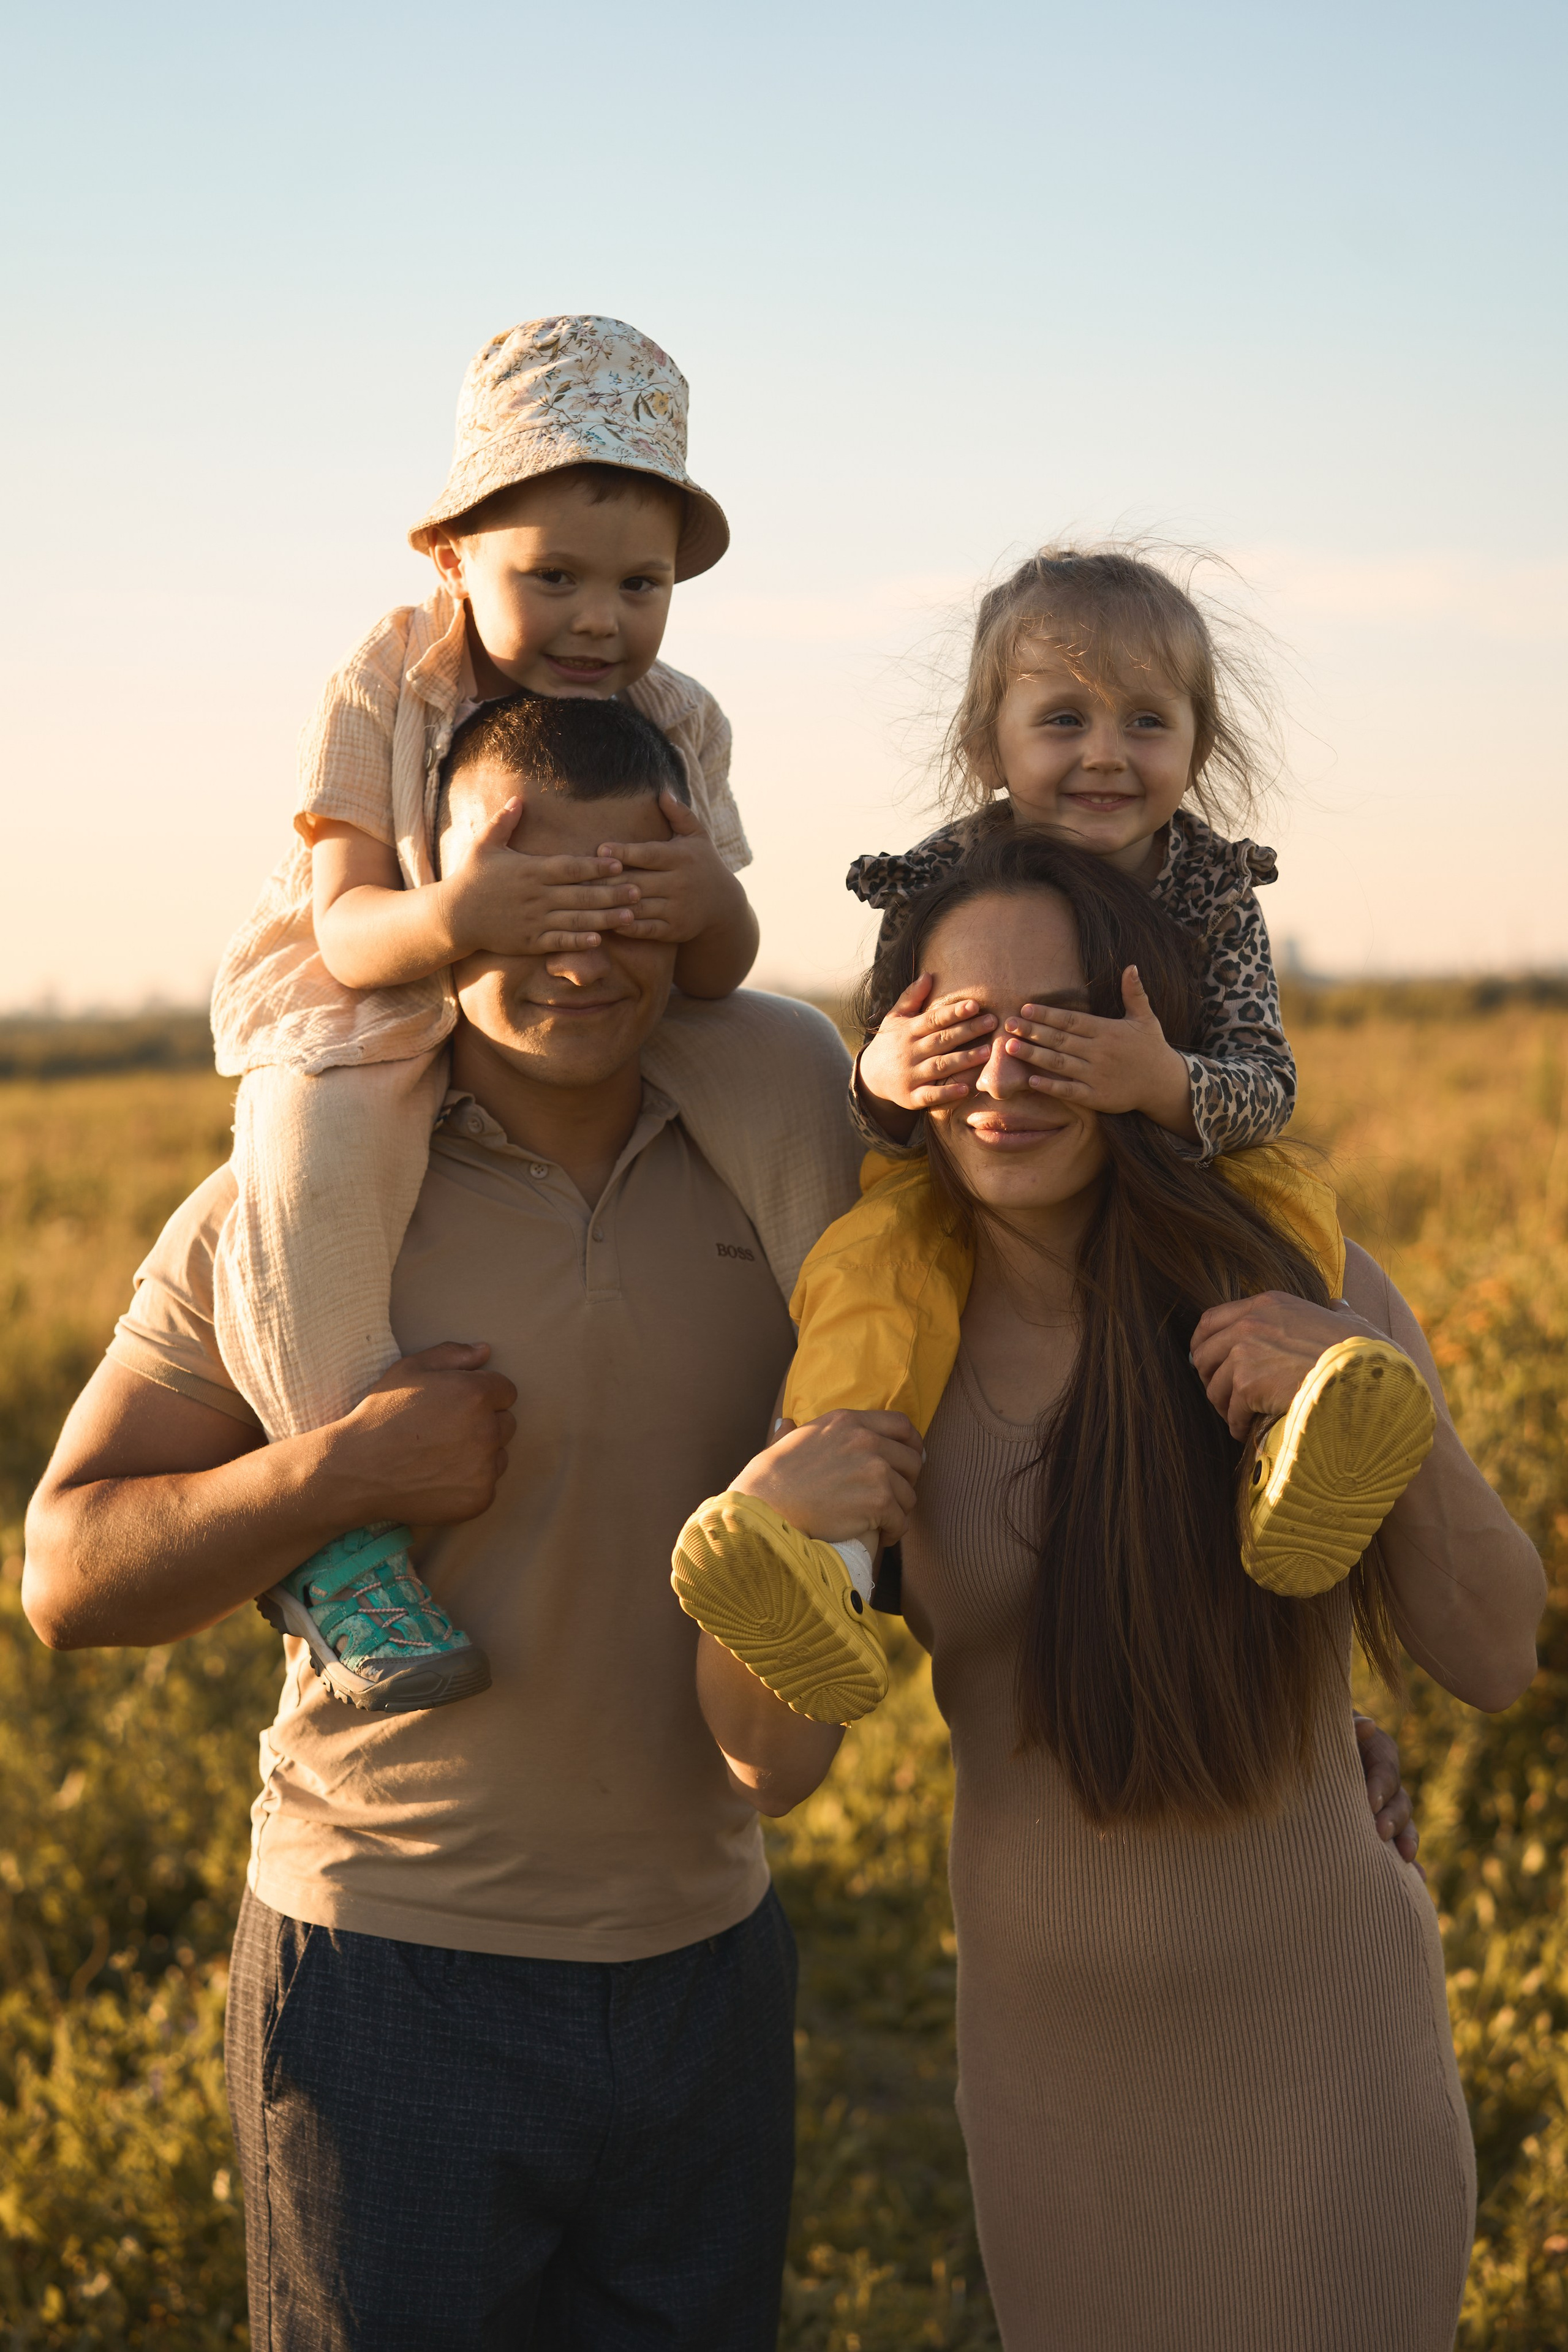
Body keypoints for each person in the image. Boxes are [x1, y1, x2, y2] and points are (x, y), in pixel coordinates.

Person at [23, 696, 860, 2350]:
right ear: (432, 888)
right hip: (384, 1973)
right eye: (527, 895)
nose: (578, 951)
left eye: (623, 898)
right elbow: (66, 1572)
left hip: (708, 1964)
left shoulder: (792, 1183)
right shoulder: (297, 1211)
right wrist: (338, 1475)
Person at [685, 837, 1545, 2351]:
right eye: (960, 1027)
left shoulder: (1293, 1282)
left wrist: (1388, 1400)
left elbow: (1489, 1655)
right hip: (1054, 2079)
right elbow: (772, 1766)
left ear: (1148, 1038)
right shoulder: (878, 1356)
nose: (1004, 1074)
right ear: (894, 1058)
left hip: (1328, 2043)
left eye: (1058, 1024)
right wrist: (765, 1520)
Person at [673, 547, 1434, 1721]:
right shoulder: (936, 881)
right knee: (868, 1274)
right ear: (989, 745)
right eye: (1065, 718)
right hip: (970, 1188)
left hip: (1189, 1178)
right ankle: (833, 1563)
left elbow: (1266, 1084)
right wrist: (880, 1074)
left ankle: (1297, 1438)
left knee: (1289, 1197)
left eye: (1147, 721)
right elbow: (890, 1081)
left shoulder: (1213, 890)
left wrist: (1162, 1080)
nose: (1106, 754)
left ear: (1199, 744)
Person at [207, 312, 821, 1714]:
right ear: (452, 558)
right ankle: (344, 1537)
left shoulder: (680, 717)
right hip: (385, 985)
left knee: (795, 1058)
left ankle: (841, 1422)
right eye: (554, 577)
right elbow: (348, 925)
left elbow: (717, 967)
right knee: (304, 1158)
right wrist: (462, 916)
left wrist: (700, 901)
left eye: (639, 584)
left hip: (616, 989)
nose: (600, 620)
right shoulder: (387, 680)